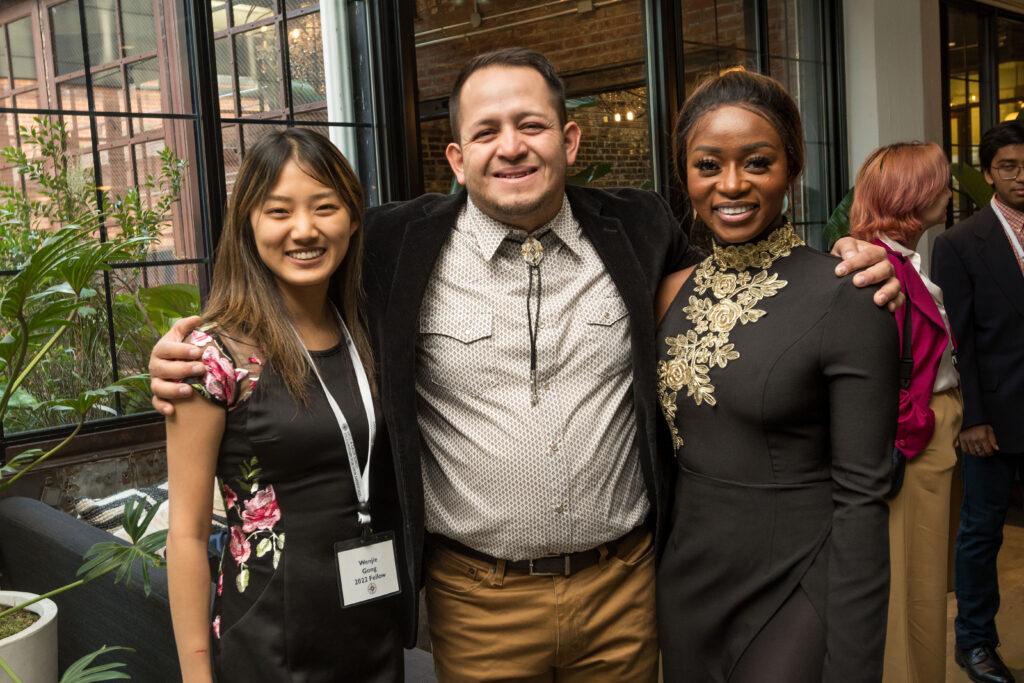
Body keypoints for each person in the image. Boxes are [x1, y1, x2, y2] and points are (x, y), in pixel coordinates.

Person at [152, 49, 900, 682]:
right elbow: (295, 266)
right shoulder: (389, 247)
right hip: (479, 603)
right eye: (487, 131)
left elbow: (743, 276)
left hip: (626, 592)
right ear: (457, 156)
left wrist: (865, 266)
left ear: (569, 140)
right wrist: (188, 346)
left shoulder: (638, 227)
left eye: (532, 125)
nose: (511, 146)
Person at [653, 69, 898, 683]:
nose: (731, 184)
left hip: (798, 576)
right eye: (708, 165)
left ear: (792, 167)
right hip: (688, 580)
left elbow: (865, 497)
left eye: (757, 162)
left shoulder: (848, 295)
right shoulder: (669, 292)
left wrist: (855, 665)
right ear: (685, 174)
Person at [164, 128, 404, 682]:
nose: (305, 230)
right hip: (268, 636)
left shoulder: (368, 330)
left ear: (352, 217)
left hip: (371, 625)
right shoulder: (213, 356)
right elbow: (187, 534)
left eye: (326, 207)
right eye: (279, 211)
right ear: (248, 223)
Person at [849, 141, 962, 683]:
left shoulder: (900, 261)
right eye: (939, 184)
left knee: (920, 582)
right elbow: (873, 371)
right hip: (912, 443)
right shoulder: (878, 269)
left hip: (923, 436)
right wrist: (917, 428)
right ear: (915, 196)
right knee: (911, 584)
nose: (948, 192)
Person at [933, 120, 1024, 683]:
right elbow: (958, 340)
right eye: (1009, 167)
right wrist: (974, 419)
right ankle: (975, 644)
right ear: (988, 174)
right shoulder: (960, 242)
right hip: (994, 419)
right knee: (981, 534)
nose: (1021, 177)